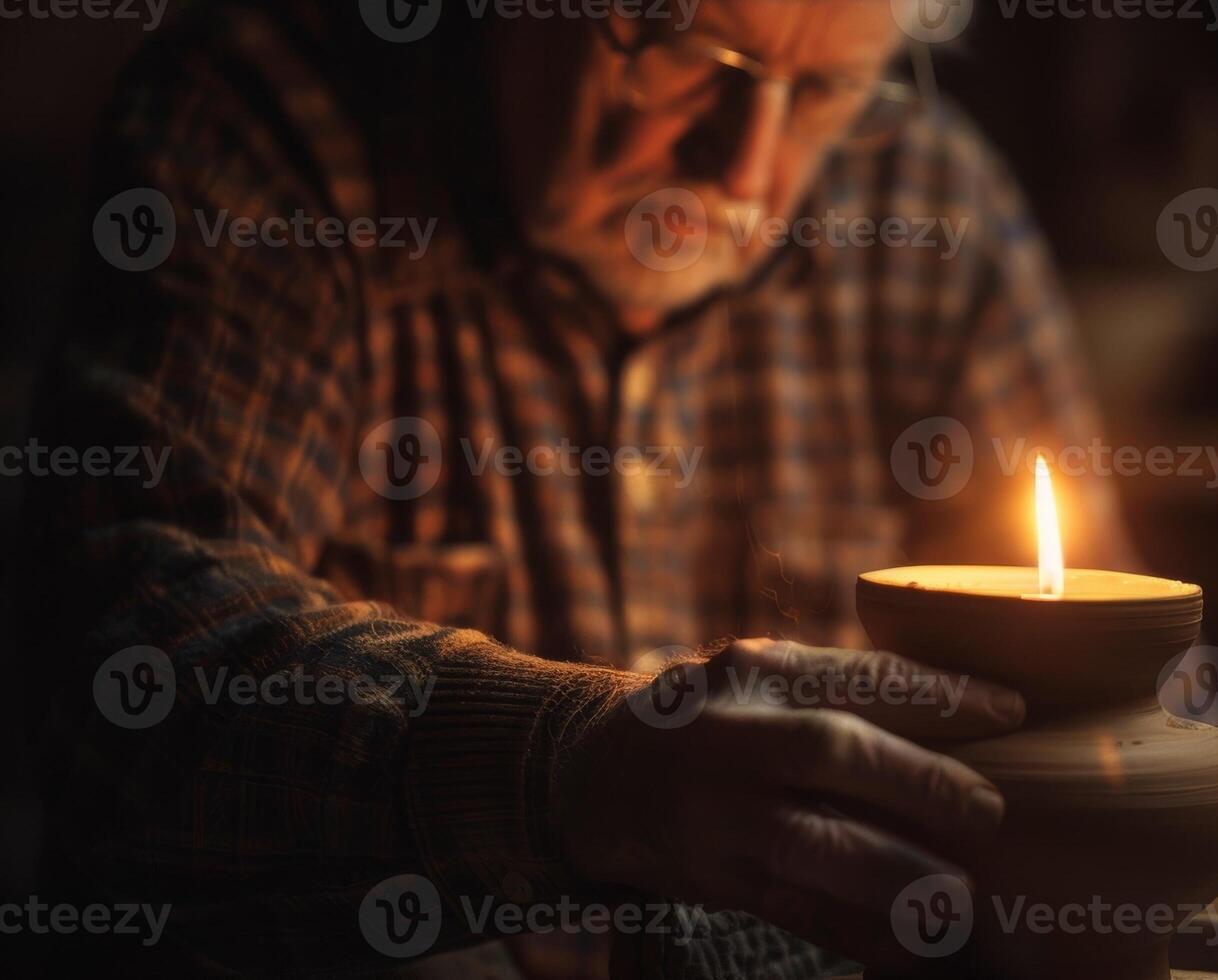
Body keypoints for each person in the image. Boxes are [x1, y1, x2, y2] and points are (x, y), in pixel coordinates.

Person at [25, 0, 1129, 975]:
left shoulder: (932, 206)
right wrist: (571, 764)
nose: (746, 170)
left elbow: (1105, 711)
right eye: (697, 55)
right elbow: (132, 652)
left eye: (826, 89)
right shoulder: (276, 118)